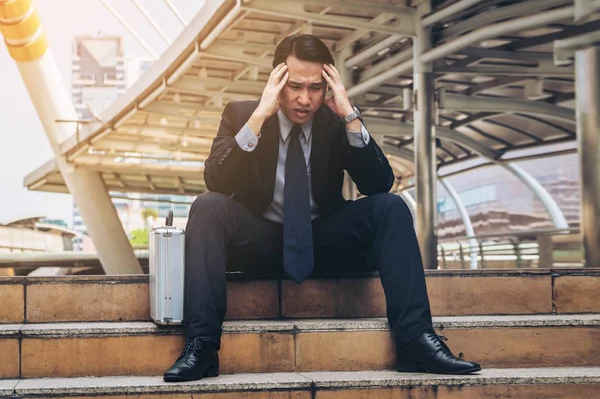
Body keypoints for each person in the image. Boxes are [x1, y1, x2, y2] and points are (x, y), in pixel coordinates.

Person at [163, 34, 481, 382]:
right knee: (208, 206)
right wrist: (259, 116)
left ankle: (416, 341)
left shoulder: (335, 122)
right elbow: (217, 180)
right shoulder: (242, 114)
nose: (305, 99)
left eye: (315, 87)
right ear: (277, 81)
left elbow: (378, 184)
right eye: (295, 86)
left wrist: (348, 113)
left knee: (390, 206)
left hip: (323, 241)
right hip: (260, 241)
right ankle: (202, 346)